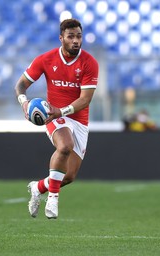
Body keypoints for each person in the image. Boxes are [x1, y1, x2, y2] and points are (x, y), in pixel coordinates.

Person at [14, 18, 99, 219]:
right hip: (53, 115)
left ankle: (38, 187)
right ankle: (53, 198)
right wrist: (24, 103)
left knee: (68, 176)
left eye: (79, 36)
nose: (76, 40)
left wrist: (62, 111)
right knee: (65, 146)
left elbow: (85, 100)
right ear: (61, 38)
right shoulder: (45, 59)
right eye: (71, 36)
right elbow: (20, 85)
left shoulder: (89, 63)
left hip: (76, 118)